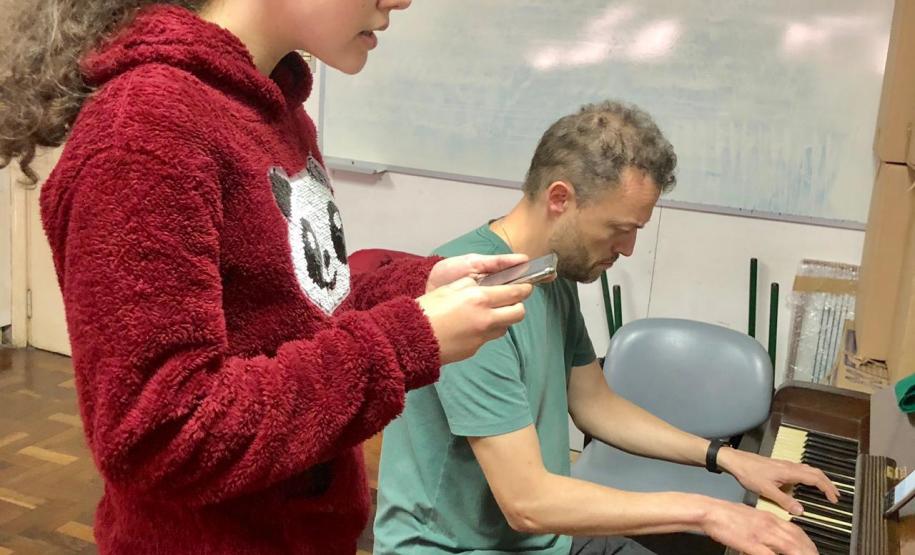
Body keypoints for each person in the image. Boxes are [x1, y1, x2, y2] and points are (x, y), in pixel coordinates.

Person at [0, 1, 533, 553]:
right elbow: (160, 432)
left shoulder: (273, 109)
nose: (400, 0)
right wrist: (404, 341)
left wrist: (418, 287)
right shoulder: (145, 129)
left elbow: (297, 306)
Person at [374, 101, 838, 555]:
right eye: (619, 228)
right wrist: (708, 512)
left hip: (541, 540)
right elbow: (527, 504)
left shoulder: (550, 272)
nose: (629, 249)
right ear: (560, 199)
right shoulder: (473, 293)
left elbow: (594, 403)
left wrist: (726, 458)